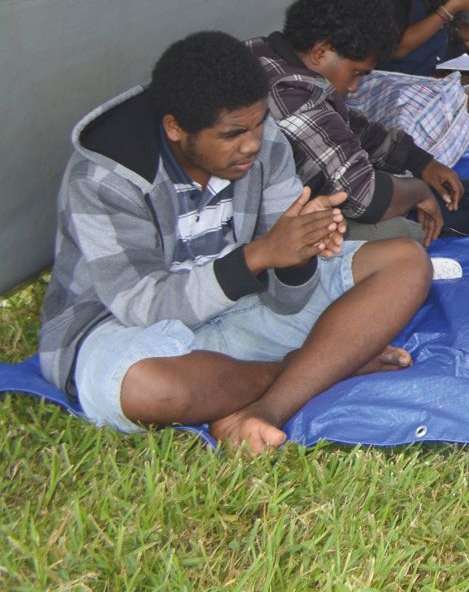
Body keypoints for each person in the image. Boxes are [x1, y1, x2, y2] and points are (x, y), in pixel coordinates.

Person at [37, 31, 431, 452]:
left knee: (404, 262)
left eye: (259, 123)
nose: (252, 144)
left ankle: (267, 408)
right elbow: (143, 308)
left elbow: (287, 301)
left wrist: (300, 253)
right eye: (232, 134)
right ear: (175, 128)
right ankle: (308, 369)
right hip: (129, 326)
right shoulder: (105, 179)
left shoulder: (264, 141)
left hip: (244, 305)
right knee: (151, 389)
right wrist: (260, 255)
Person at [249, 0, 463, 243]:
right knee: (402, 236)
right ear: (321, 52)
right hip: (262, 233)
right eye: (357, 73)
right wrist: (418, 191)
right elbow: (363, 197)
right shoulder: (290, 95)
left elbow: (343, 124)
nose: (354, 87)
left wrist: (419, 161)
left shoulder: (262, 50)